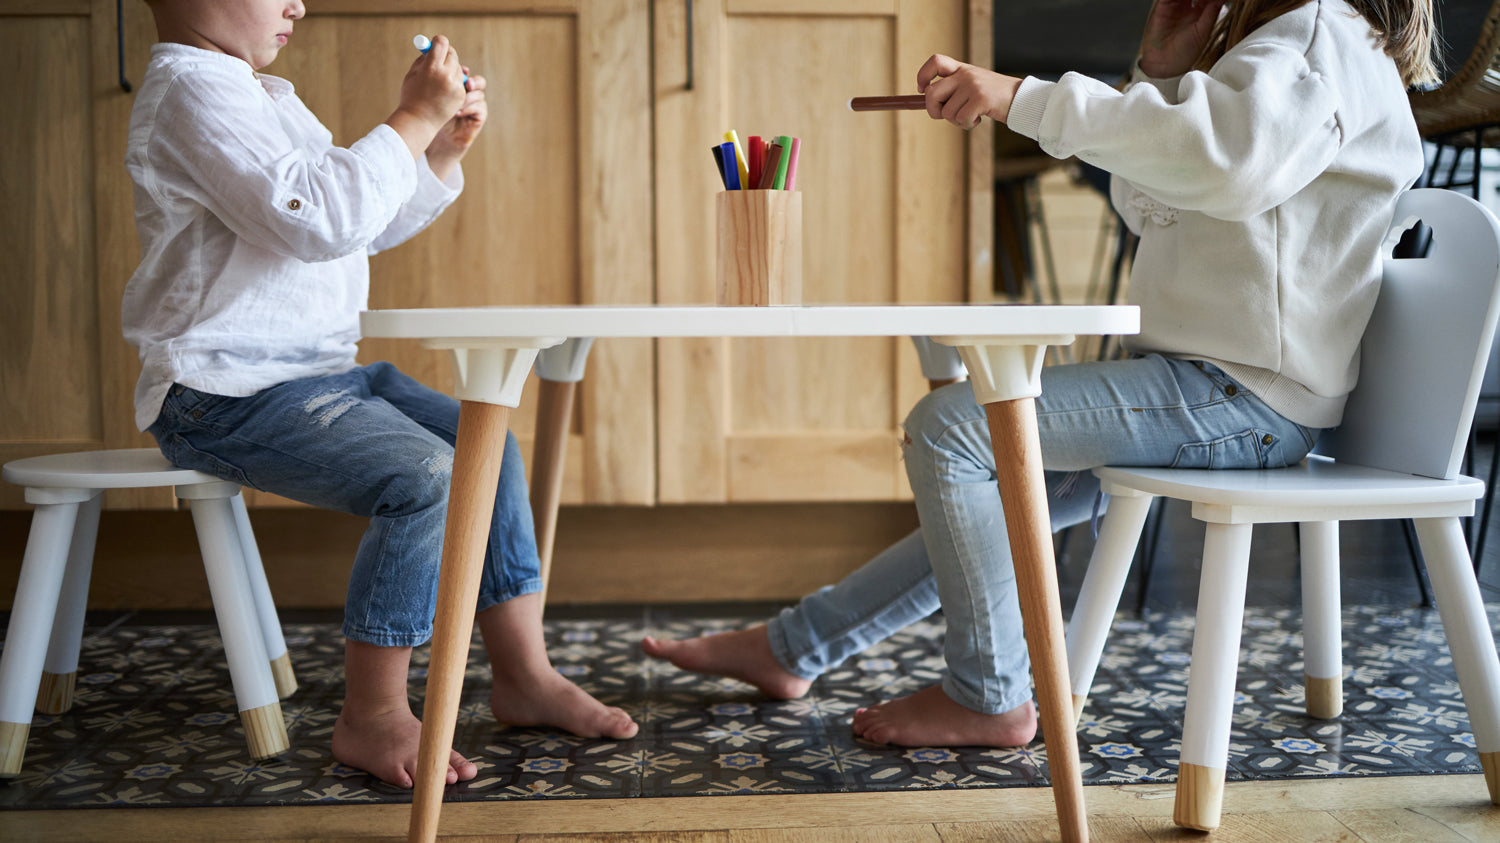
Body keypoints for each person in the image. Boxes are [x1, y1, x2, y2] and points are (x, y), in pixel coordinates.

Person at [644, 0, 1438, 748]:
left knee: (954, 428)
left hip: (1238, 396)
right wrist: (1161, 72)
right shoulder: (1294, 40)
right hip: (1215, 387)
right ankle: (797, 645)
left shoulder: (1315, 36)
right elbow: (1149, 198)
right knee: (994, 475)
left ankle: (988, 692)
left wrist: (1024, 97)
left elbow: (1225, 165)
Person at [124, 0, 638, 787]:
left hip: (316, 375)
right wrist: (408, 114)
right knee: (426, 476)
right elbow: (319, 218)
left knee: (487, 444)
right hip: (225, 390)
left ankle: (523, 672)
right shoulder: (191, 91)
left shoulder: (259, 95)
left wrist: (433, 151)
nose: (298, 2)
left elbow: (350, 223)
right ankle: (371, 712)